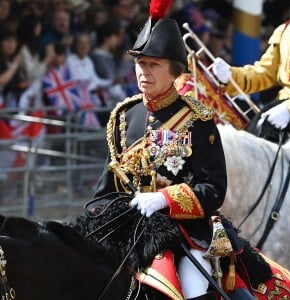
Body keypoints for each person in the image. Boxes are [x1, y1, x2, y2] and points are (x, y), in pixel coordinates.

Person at [93, 5, 227, 300]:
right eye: (140, 64)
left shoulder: (197, 120)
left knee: (193, 291)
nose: (144, 71)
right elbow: (104, 190)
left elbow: (213, 188)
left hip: (184, 233)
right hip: (129, 230)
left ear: (174, 70)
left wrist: (164, 199)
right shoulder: (123, 116)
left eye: (154, 65)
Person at [211, 17, 290, 132]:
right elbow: (265, 72)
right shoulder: (289, 28)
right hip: (279, 112)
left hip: (287, 111)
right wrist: (232, 75)